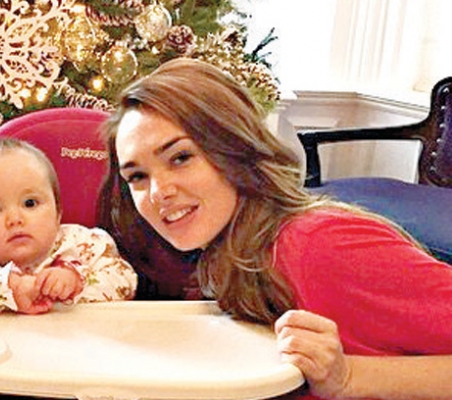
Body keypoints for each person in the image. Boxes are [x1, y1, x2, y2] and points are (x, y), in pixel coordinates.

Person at [98, 57, 452, 399]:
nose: (158, 192)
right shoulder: (215, 252)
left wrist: (349, 377)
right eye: (138, 176)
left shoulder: (317, 245)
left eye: (180, 158)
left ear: (234, 147)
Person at [0, 137, 137, 317]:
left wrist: (76, 282)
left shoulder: (82, 245)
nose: (14, 219)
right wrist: (11, 287)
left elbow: (125, 280)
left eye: (30, 203)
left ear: (58, 213)